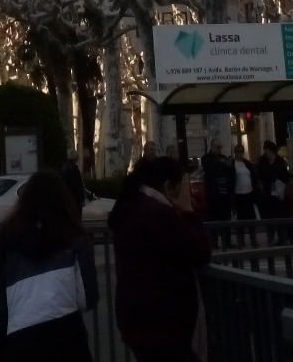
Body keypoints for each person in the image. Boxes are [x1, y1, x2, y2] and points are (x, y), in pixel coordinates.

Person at [0, 170, 98, 362]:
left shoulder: (9, 238)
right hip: (67, 338)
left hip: (20, 340)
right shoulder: (73, 236)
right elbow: (88, 297)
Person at [109, 156, 211, 361]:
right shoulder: (159, 213)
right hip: (163, 323)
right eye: (183, 188)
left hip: (137, 319)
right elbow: (199, 251)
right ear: (168, 187)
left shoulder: (132, 206)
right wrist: (188, 210)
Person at [255, 141, 290, 221]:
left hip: (278, 192)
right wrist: (260, 184)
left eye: (267, 151)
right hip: (266, 192)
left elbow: (285, 176)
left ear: (272, 151)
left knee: (278, 215)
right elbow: (258, 175)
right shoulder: (262, 161)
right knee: (268, 216)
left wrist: (282, 186)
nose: (266, 153)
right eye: (265, 151)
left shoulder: (280, 161)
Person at [200, 139, 233, 221]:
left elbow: (229, 170)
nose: (220, 149)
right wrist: (221, 162)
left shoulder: (223, 158)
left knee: (225, 219)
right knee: (214, 218)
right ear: (212, 147)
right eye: (218, 147)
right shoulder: (206, 158)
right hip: (214, 195)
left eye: (221, 147)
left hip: (225, 195)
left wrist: (228, 164)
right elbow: (209, 168)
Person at [231, 145, 258, 221]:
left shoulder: (247, 163)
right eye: (238, 151)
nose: (239, 153)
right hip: (239, 194)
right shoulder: (232, 164)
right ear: (235, 152)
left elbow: (253, 175)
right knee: (241, 217)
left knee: (251, 216)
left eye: (241, 151)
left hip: (249, 193)